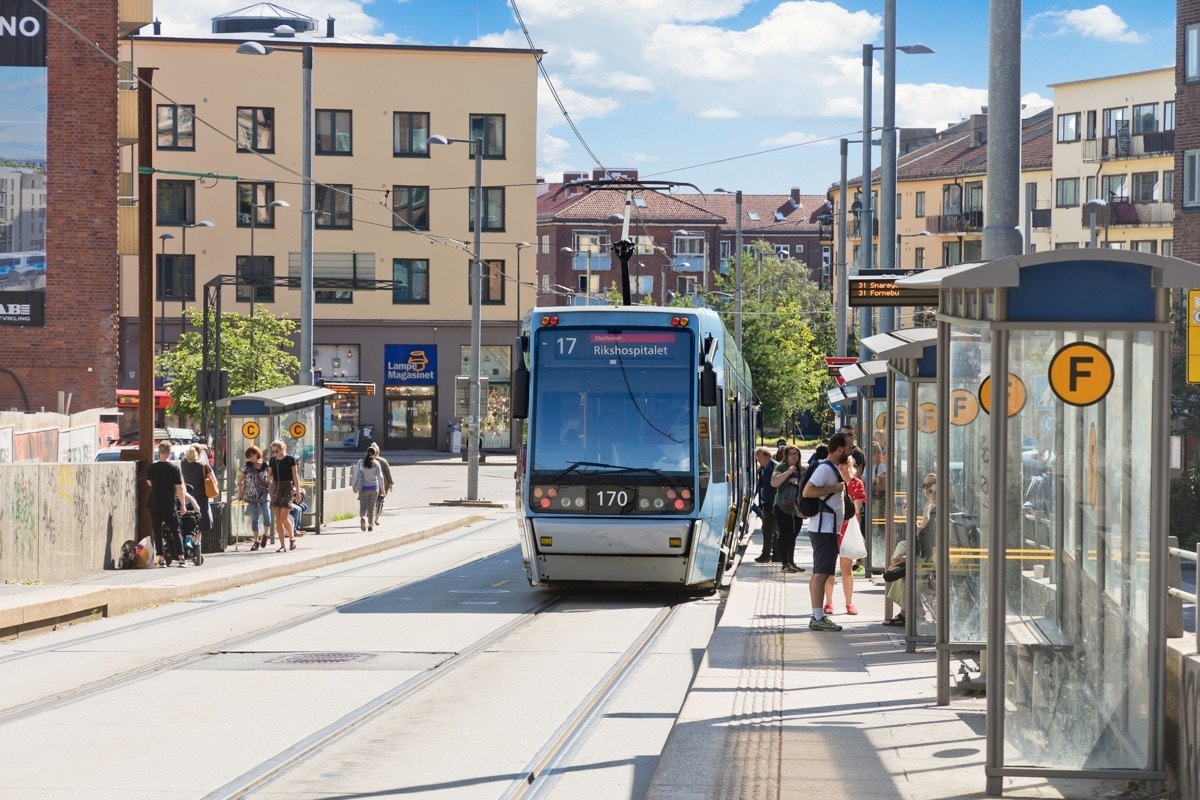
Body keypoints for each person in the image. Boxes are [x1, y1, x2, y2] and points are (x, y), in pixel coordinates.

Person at [803, 431, 851, 632]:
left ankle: (817, 615)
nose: (851, 451)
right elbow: (808, 492)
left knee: (820, 573)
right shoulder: (825, 469)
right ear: (839, 449)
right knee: (821, 573)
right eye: (848, 448)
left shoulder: (832, 468)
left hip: (826, 529)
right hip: (824, 529)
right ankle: (818, 617)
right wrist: (833, 489)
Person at [824, 458, 866, 614]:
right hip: (831, 526)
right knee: (828, 568)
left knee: (846, 568)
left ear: (850, 465)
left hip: (848, 528)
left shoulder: (856, 483)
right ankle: (828, 602)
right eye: (838, 464)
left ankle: (849, 603)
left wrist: (844, 490)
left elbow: (856, 508)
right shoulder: (831, 482)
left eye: (844, 463)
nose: (840, 467)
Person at [146, 441, 190, 567]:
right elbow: (179, 488)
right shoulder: (174, 468)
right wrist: (183, 505)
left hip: (154, 504)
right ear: (169, 453)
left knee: (157, 532)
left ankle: (161, 559)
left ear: (159, 452)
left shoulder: (151, 468)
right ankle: (181, 558)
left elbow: (149, 483)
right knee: (175, 531)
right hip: (169, 504)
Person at [770, 445, 811, 574]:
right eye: (791, 454)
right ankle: (785, 564)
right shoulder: (780, 467)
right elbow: (774, 483)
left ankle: (791, 562)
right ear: (786, 456)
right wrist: (788, 473)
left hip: (797, 508)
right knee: (785, 534)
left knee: (793, 535)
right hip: (782, 506)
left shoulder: (803, 470)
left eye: (796, 454)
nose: (794, 456)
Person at [267, 439, 301, 552]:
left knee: (283, 517)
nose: (275, 454)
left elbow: (295, 476)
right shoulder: (273, 461)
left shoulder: (290, 460)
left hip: (287, 487)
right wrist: (268, 481)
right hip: (276, 488)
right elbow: (270, 475)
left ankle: (292, 539)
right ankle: (282, 545)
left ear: (283, 449)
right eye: (273, 452)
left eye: (277, 451)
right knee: (278, 519)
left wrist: (298, 492)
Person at [237, 445, 272, 550]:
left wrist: (270, 486)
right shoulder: (247, 466)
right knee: (255, 518)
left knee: (267, 515)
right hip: (251, 495)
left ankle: (265, 535)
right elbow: (240, 480)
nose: (251, 458)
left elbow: (270, 478)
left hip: (264, 494)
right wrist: (240, 493)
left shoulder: (266, 465)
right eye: (249, 456)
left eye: (252, 455)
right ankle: (256, 541)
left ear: (258, 454)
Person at [180, 445, 214, 540]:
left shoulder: (184, 465)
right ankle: (197, 546)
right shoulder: (203, 467)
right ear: (198, 454)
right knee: (200, 525)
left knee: (190, 523)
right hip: (201, 498)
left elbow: (184, 459)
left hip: (188, 497)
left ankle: (189, 543)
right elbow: (214, 481)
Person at [752, 446, 779, 563]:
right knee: (768, 529)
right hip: (766, 502)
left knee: (770, 529)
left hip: (774, 503)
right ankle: (773, 554)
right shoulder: (762, 468)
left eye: (759, 458)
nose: (757, 460)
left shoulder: (775, 467)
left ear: (767, 456)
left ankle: (768, 554)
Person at [352, 448, 385, 532]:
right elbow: (380, 478)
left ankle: (362, 517)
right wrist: (383, 489)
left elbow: (356, 475)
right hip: (374, 488)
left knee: (363, 507)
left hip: (363, 488)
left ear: (366, 452)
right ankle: (370, 525)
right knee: (371, 507)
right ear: (375, 454)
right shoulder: (376, 463)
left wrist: (354, 486)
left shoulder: (360, 462)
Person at [367, 443, 393, 527]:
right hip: (383, 485)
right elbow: (388, 472)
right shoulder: (382, 461)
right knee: (380, 502)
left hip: (370, 484)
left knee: (370, 502)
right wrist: (390, 483)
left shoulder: (366, 461)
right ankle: (377, 519)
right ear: (378, 451)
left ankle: (369, 517)